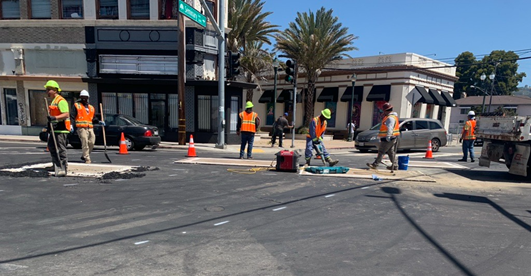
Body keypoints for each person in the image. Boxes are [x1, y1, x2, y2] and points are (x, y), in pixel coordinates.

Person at [45, 80, 71, 176]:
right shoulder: (53, 101)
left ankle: (63, 167)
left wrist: (54, 118)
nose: (47, 92)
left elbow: (66, 114)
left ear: (55, 90)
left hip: (61, 128)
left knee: (60, 149)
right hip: (54, 128)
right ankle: (56, 164)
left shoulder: (61, 101)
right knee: (51, 146)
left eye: (49, 90)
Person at [70, 90, 102, 164]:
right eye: (83, 97)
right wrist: (71, 125)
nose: (84, 99)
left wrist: (99, 121)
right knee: (84, 141)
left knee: (92, 142)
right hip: (81, 127)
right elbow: (72, 116)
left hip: (90, 127)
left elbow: (93, 118)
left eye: (86, 97)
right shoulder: (76, 105)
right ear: (80, 97)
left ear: (88, 98)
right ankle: (87, 158)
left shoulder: (91, 107)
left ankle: (84, 155)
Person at [367, 103, 400, 170]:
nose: (383, 112)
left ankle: (375, 165)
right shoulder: (393, 117)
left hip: (388, 138)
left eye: (384, 110)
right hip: (392, 137)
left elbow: (390, 128)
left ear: (387, 110)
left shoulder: (390, 118)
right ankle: (395, 165)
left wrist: (388, 136)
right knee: (391, 152)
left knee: (381, 151)